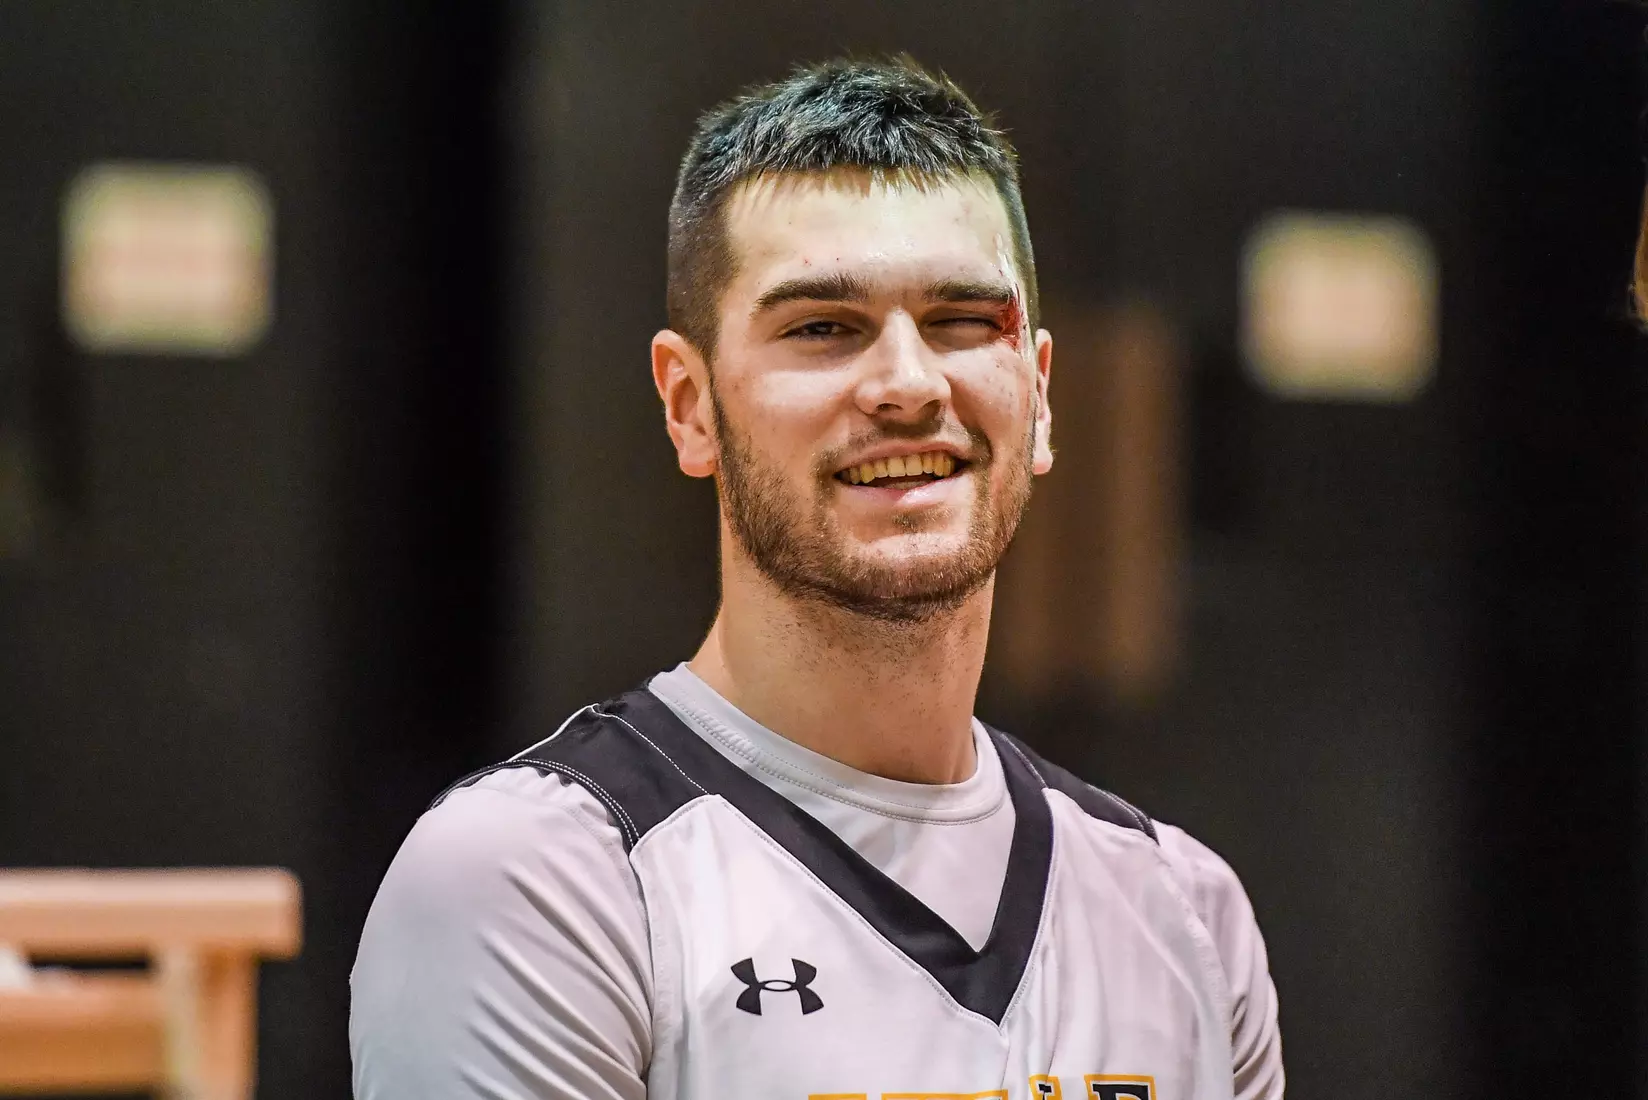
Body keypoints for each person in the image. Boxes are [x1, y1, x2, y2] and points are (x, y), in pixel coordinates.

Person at [350, 56, 1284, 1100]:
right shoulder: (534, 880)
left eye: (962, 320)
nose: (907, 384)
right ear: (689, 405)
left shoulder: (1186, 914)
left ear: (1040, 393)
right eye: (822, 328)